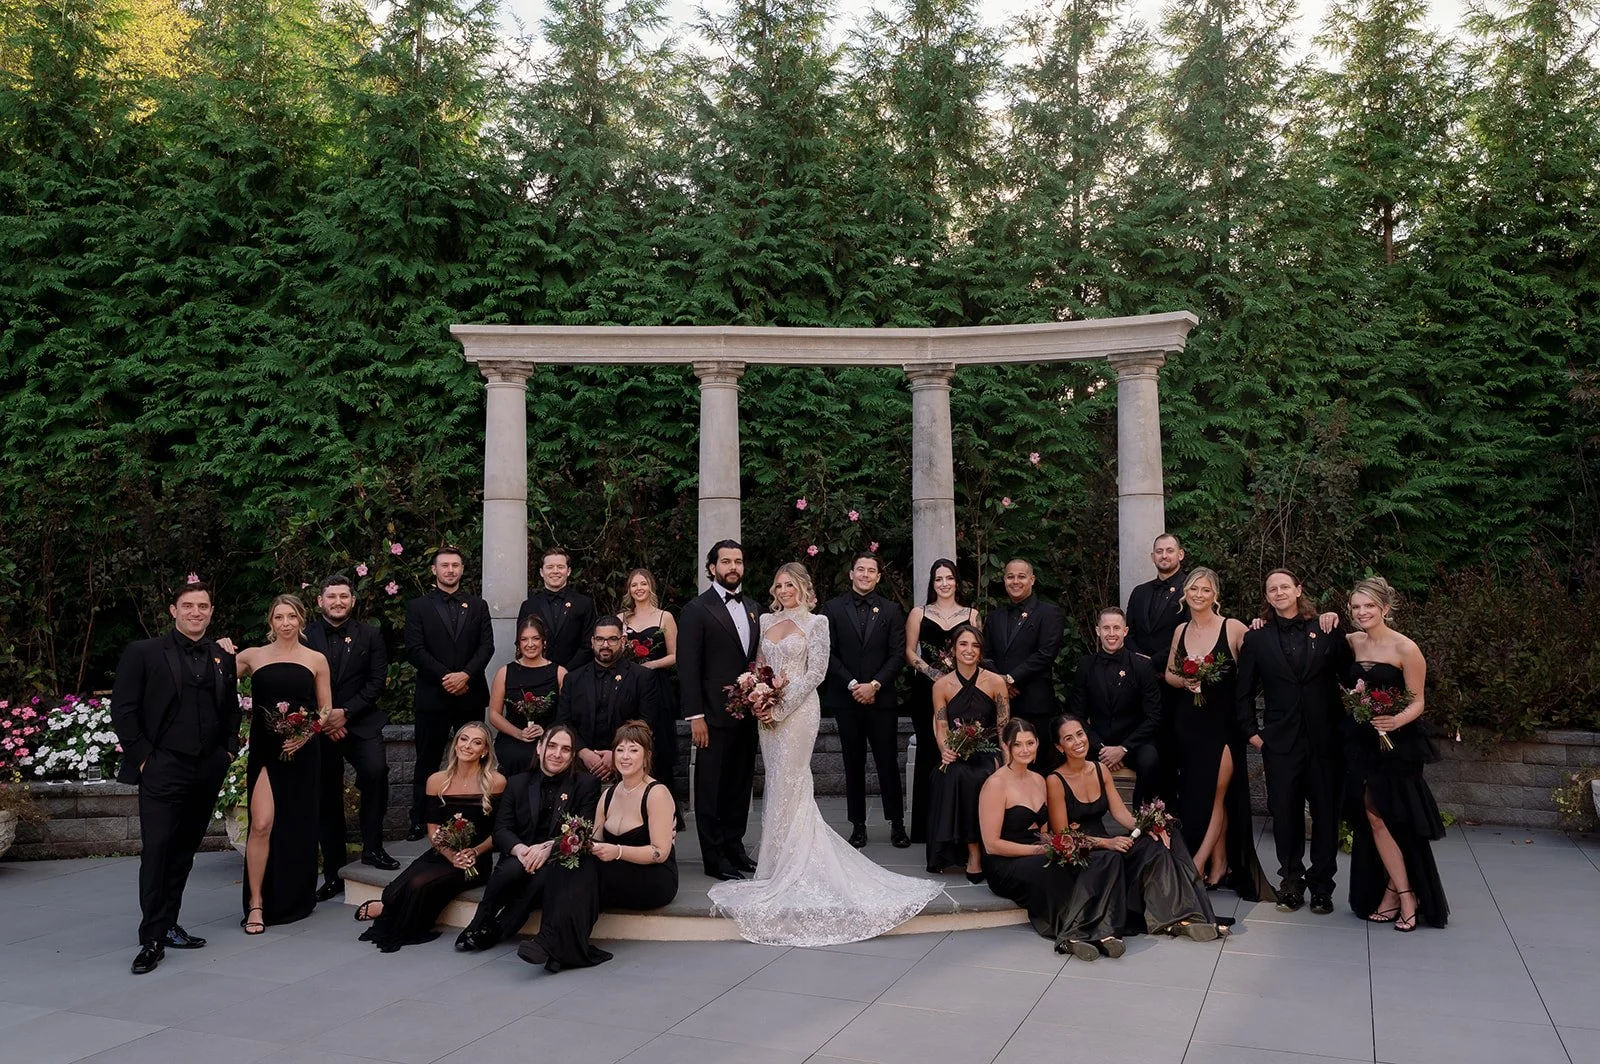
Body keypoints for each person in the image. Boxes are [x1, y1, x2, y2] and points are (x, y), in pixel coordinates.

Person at [707, 563, 941, 945]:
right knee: (776, 783)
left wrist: (780, 706)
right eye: (779, 584)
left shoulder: (817, 623)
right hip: (767, 714)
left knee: (793, 779)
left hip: (799, 713)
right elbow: (760, 667)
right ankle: (775, 863)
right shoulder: (765, 620)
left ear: (802, 587)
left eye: (790, 584)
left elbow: (816, 672)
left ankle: (798, 863)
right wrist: (758, 699)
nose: (784, 590)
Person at [110, 578, 242, 975]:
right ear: (173, 610)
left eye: (203, 607)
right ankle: (151, 937)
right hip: (162, 766)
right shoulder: (143, 652)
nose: (195, 613)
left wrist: (227, 751)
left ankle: (169, 923)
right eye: (188, 606)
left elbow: (230, 709)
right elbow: (124, 710)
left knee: (184, 851)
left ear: (211, 612)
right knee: (158, 850)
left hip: (207, 768)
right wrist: (145, 759)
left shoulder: (222, 656)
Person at [515, 720, 679, 971]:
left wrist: (617, 851)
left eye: (633, 750)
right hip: (617, 871)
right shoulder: (608, 794)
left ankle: (552, 942)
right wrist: (559, 845)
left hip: (654, 877)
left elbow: (660, 852)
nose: (625, 756)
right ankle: (558, 947)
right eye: (620, 750)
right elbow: (592, 841)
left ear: (646, 756)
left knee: (586, 868)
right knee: (568, 858)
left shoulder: (657, 793)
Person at [1046, 714, 1225, 944]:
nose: (1078, 742)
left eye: (1080, 734)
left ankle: (1186, 915)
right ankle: (1177, 918)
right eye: (1069, 738)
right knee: (1118, 855)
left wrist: (1151, 825)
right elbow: (1064, 836)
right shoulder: (1055, 780)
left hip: (1111, 847)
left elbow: (1122, 815)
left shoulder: (1100, 770)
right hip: (1085, 854)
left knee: (1162, 837)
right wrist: (1106, 843)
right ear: (1059, 747)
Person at [1236, 569, 1351, 915]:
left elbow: (1351, 676)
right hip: (1280, 742)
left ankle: (1322, 887)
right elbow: (1243, 691)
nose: (1279, 592)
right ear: (1267, 596)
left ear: (1298, 590)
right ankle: (1290, 881)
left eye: (1285, 586)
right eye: (1272, 588)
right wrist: (1252, 732)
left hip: (1325, 740)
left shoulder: (1326, 629)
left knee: (1326, 814)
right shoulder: (1257, 638)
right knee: (1284, 814)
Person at [1342, 577, 1448, 931]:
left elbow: (1418, 701)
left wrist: (1395, 720)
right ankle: (1397, 892)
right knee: (1372, 816)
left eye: (1369, 606)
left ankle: (1402, 895)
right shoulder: (1353, 642)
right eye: (1356, 607)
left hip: (1398, 743)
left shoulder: (1406, 648)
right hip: (1361, 743)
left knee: (1392, 816)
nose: (1362, 612)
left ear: (1385, 608)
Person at [1163, 568, 1275, 901]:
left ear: (1215, 595)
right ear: (1185, 593)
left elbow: (1260, 661)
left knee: (1216, 792)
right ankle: (1220, 862)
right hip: (1188, 724)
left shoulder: (1233, 627)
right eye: (1193, 589)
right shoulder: (1181, 629)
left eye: (1205, 590)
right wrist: (1185, 680)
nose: (1198, 595)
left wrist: (1261, 626)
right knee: (1199, 794)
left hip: (1224, 726)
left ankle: (1196, 864)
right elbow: (1169, 674)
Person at [980, 719, 1126, 961]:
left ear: (1037, 743)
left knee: (1099, 860)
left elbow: (1045, 831)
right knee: (1052, 868)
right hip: (1005, 862)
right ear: (1006, 747)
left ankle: (1104, 929)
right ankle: (1071, 935)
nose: (1025, 750)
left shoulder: (1039, 780)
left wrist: (1064, 845)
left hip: (1039, 848)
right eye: (1017, 745)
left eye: (1030, 743)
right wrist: (1040, 850)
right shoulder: (996, 784)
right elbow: (991, 845)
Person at [355, 722, 507, 951]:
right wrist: (449, 854)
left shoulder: (496, 782)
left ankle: (395, 916)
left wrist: (474, 852)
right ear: (455, 744)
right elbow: (433, 828)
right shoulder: (437, 780)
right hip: (442, 851)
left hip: (474, 860)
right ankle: (388, 906)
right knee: (392, 893)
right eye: (463, 739)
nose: (467, 746)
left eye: (476, 742)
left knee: (419, 884)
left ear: (484, 751)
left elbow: (500, 831)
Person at [455, 724, 601, 951]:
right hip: (522, 851)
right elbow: (501, 830)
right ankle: (479, 921)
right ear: (540, 748)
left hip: (557, 856)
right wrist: (521, 850)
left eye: (565, 749)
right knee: (509, 870)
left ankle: (497, 929)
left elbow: (584, 830)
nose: (557, 754)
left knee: (542, 877)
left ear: (572, 755)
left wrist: (549, 847)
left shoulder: (586, 784)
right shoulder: (517, 782)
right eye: (551, 746)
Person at [236, 594, 334, 933]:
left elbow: (325, 708)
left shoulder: (316, 659)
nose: (286, 623)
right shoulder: (252, 656)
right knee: (261, 824)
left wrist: (308, 733)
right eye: (279, 617)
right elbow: (212, 677)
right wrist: (220, 647)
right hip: (265, 749)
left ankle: (295, 897)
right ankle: (256, 903)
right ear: (271, 621)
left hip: (303, 750)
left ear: (301, 619)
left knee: (297, 825)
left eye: (291, 616)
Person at [304, 573, 395, 904]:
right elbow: (299, 681)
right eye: (332, 597)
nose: (338, 602)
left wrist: (347, 713)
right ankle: (333, 872)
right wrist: (327, 719)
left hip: (361, 722)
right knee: (326, 794)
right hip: (321, 727)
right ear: (320, 601)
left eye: (344, 596)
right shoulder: (304, 636)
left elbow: (377, 681)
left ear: (353, 601)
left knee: (375, 773)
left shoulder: (370, 635)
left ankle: (373, 848)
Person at [678, 539, 762, 882]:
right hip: (711, 717)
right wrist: (695, 716)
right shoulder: (696, 610)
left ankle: (734, 847)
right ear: (712, 568)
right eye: (726, 561)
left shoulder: (753, 607)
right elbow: (688, 667)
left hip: (748, 716)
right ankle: (714, 858)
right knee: (711, 789)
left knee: (740, 786)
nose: (733, 567)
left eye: (738, 561)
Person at [404, 546, 494, 840]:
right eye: (445, 565)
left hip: (470, 693)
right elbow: (415, 649)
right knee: (427, 760)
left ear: (462, 569)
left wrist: (465, 675)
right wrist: (447, 677)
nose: (450, 570)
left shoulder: (478, 605)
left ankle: (477, 816)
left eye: (455, 565)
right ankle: (420, 819)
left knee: (475, 759)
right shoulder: (418, 606)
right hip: (433, 696)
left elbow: (487, 647)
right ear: (434, 570)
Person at [822, 551, 909, 848]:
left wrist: (874, 685)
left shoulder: (891, 610)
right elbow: (827, 653)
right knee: (853, 762)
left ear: (878, 577)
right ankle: (857, 826)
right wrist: (852, 685)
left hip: (881, 700)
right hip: (846, 699)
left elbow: (897, 655)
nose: (865, 575)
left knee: (888, 761)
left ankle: (897, 825)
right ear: (851, 574)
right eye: (860, 569)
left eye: (871, 570)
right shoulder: (832, 609)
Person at [925, 624, 1010, 879]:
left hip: (989, 751)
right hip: (957, 751)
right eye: (963, 644)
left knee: (976, 776)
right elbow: (941, 725)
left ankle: (982, 849)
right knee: (950, 774)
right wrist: (945, 750)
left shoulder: (996, 682)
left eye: (975, 645)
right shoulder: (941, 685)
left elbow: (1004, 726)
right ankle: (968, 850)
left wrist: (1008, 764)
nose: (969, 650)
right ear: (953, 649)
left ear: (981, 651)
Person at [905, 559, 979, 844]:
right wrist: (933, 673)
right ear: (932, 583)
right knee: (929, 751)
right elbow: (910, 652)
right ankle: (925, 828)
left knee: (960, 750)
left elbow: (977, 652)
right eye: (938, 579)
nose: (944, 584)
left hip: (963, 689)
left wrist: (958, 676)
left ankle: (959, 826)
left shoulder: (971, 615)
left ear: (956, 582)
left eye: (949, 578)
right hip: (927, 688)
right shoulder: (919, 613)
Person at [1068, 607, 1163, 808]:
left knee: (1150, 758)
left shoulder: (1142, 666)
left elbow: (1154, 716)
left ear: (1125, 631)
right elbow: (1077, 715)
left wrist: (1123, 748)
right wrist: (1102, 748)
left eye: (1116, 628)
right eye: (1106, 628)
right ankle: (1085, 818)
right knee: (1069, 755)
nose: (1111, 633)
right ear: (1097, 631)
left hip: (1134, 744)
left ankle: (1142, 817)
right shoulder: (1085, 665)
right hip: (1097, 744)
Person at [982, 559, 1065, 773]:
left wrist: (1010, 679)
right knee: (1003, 766)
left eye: (1021, 576)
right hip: (1000, 706)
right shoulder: (994, 617)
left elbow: (1045, 654)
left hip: (1035, 705)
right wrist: (1001, 682)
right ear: (1004, 580)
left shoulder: (1049, 613)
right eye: (1010, 576)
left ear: (1032, 580)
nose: (1015, 581)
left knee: (1037, 769)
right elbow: (985, 656)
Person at [554, 617, 662, 780]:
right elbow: (563, 722)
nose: (605, 645)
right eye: (600, 639)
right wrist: (583, 752)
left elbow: (646, 723)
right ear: (592, 642)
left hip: (629, 765)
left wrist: (617, 754)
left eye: (612, 639)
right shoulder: (573, 679)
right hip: (580, 766)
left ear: (623, 641)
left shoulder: (643, 677)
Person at [1126, 533, 1190, 805]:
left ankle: (1173, 812)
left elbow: (1187, 634)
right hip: (1142, 687)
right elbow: (1129, 632)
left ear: (1180, 554)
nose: (1164, 556)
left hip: (1173, 684)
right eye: (1159, 551)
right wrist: (1140, 663)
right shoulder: (1139, 592)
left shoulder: (1191, 590)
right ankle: (1147, 813)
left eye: (1169, 550)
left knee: (1173, 751)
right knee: (1149, 750)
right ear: (1153, 556)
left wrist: (1152, 662)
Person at [617, 569, 681, 819]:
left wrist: (651, 665)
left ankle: (664, 809)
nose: (639, 588)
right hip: (630, 686)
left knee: (658, 742)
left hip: (657, 685)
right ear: (629, 589)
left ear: (651, 586)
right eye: (634, 585)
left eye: (643, 583)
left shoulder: (665, 617)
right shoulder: (621, 618)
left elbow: (675, 655)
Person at [486, 617, 564, 777]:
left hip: (549, 737)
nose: (530, 644)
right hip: (512, 737)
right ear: (518, 643)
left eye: (535, 638)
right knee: (515, 756)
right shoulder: (504, 672)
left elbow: (566, 713)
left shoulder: (560, 673)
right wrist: (518, 733)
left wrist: (547, 732)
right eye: (524, 639)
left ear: (544, 642)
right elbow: (494, 714)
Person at [516, 547, 597, 671]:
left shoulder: (584, 603)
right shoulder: (528, 606)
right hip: (538, 673)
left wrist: (565, 671)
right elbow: (522, 642)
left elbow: (589, 643)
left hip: (576, 674)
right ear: (541, 572)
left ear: (568, 571)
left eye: (560, 567)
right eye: (550, 567)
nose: (555, 571)